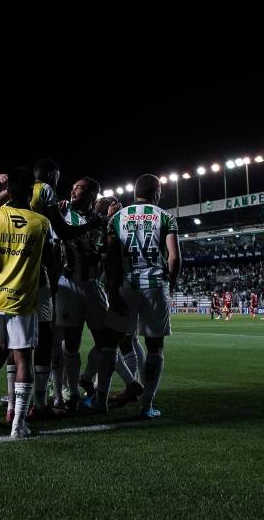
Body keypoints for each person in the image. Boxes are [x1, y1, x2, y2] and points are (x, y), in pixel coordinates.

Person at [0, 167, 52, 438]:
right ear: (31, 190)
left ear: (8, 190)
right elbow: (51, 257)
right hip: (23, 300)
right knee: (23, 360)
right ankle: (19, 425)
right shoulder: (41, 222)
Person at [104, 174, 180, 418]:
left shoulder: (117, 218)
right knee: (155, 348)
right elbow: (174, 257)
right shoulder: (166, 217)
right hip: (155, 286)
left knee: (109, 343)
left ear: (135, 191)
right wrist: (173, 282)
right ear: (156, 192)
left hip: (126, 286)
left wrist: (112, 289)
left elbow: (111, 258)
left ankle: (100, 399)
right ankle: (146, 406)